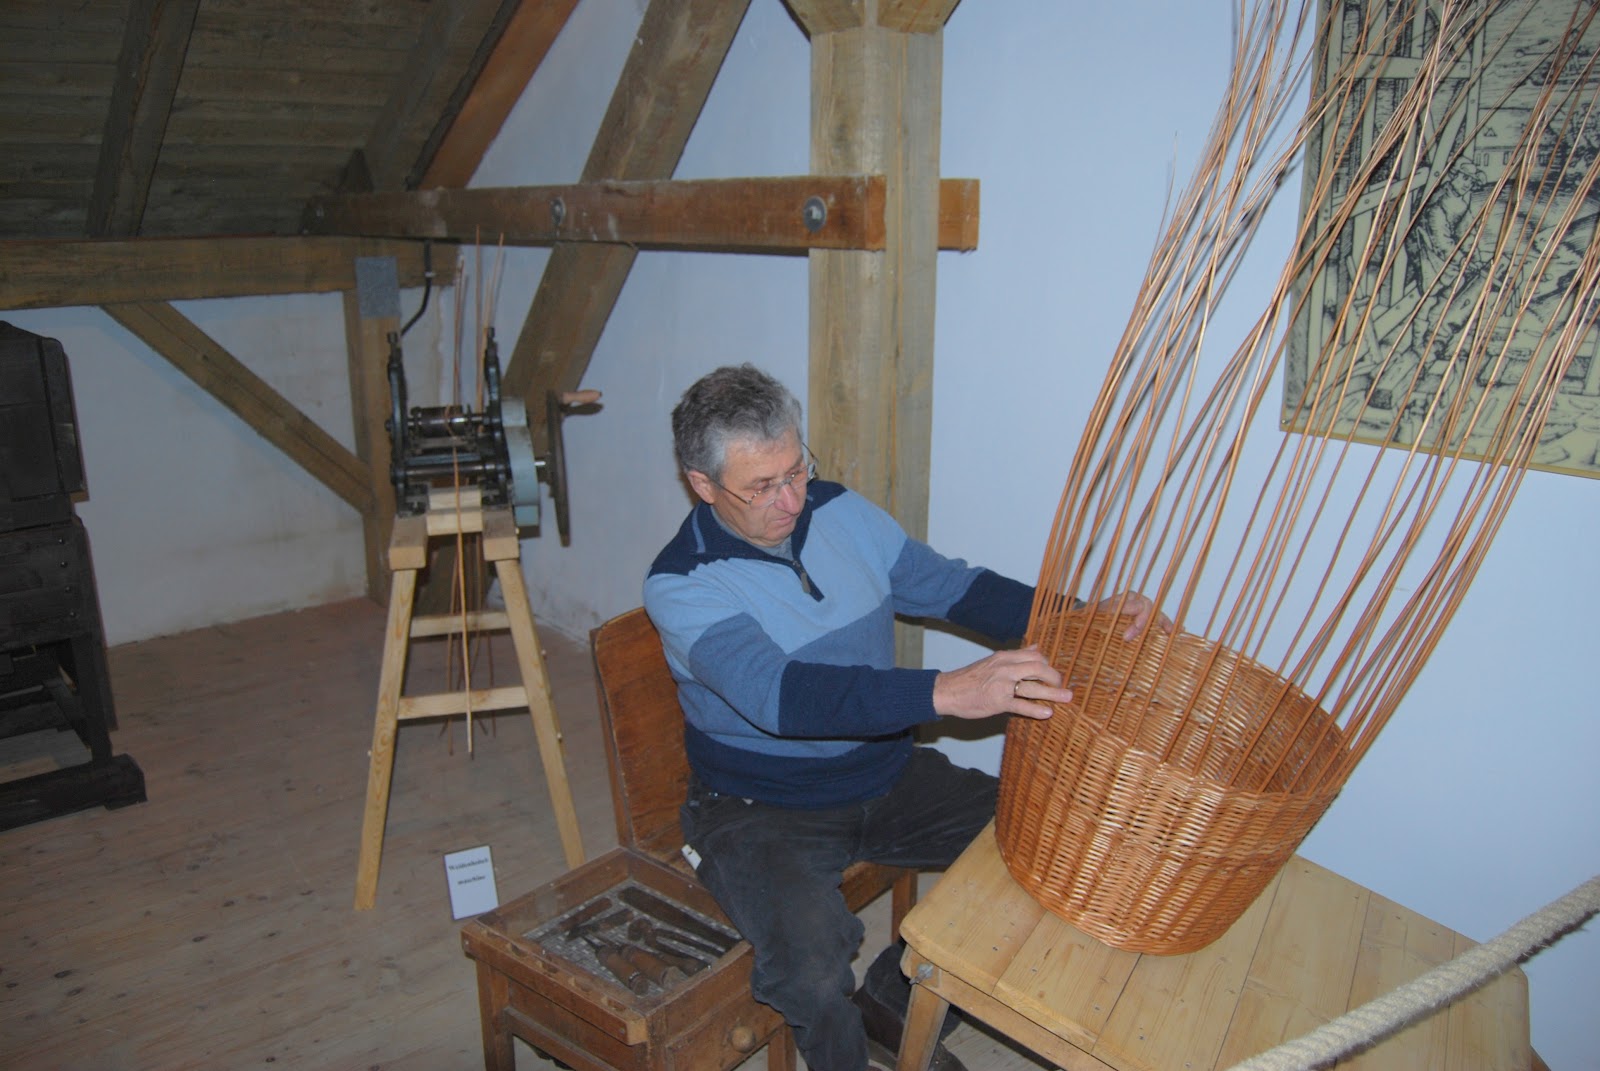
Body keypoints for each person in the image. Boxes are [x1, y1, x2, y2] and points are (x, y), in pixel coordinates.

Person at [643, 364, 1161, 1071]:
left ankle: (892, 996)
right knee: (811, 972)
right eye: (761, 487)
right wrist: (945, 691)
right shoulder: (681, 583)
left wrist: (1080, 618)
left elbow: (952, 587)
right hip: (760, 807)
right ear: (702, 485)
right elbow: (783, 697)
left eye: (796, 470)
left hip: (883, 773)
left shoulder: (841, 512)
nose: (791, 500)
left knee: (1053, 847)